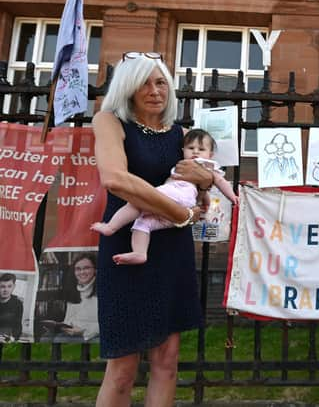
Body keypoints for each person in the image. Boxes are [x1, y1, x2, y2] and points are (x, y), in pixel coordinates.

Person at [92, 51, 216, 406]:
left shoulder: (181, 133)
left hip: (170, 251)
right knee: (122, 367)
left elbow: (203, 178)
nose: (154, 90)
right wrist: (179, 212)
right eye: (144, 82)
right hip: (127, 245)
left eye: (161, 81)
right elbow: (116, 179)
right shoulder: (110, 122)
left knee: (167, 360)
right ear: (127, 88)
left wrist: (205, 185)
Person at [90, 128, 238, 264]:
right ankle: (140, 253)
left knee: (137, 202)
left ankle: (111, 226)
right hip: (176, 209)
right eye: (191, 148)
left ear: (210, 155)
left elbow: (220, 181)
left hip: (176, 194)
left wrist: (233, 197)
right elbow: (203, 189)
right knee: (142, 223)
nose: (195, 152)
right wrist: (206, 201)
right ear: (183, 150)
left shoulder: (205, 164)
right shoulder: (185, 163)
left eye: (201, 149)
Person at [0, 273, 23, 342]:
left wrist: (13, 338)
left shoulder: (18, 304)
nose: (6, 290)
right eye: (2, 286)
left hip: (8, 338)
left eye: (9, 286)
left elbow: (18, 325)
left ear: (14, 287)